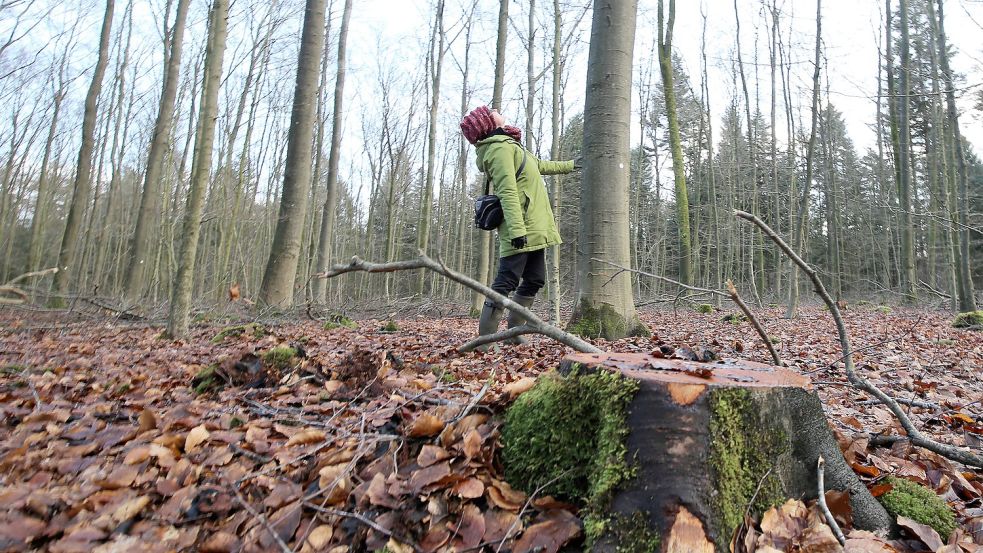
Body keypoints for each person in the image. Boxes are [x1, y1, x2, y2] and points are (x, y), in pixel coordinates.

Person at [459, 105, 578, 348]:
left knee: (535, 280)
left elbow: (540, 166)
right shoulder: (498, 149)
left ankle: (513, 333)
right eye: (490, 111)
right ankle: (485, 341)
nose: (496, 109)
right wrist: (517, 231)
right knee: (505, 283)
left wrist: (571, 165)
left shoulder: (510, 145)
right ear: (487, 124)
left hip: (534, 226)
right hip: (520, 228)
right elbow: (507, 192)